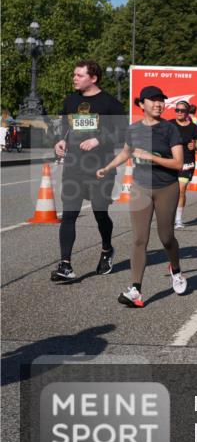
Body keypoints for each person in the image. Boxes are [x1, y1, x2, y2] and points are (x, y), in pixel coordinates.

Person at [97, 86, 187, 307]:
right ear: (142, 104)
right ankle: (135, 290)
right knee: (139, 239)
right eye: (153, 100)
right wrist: (107, 168)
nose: (158, 104)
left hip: (166, 188)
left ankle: (175, 270)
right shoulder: (133, 129)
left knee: (166, 238)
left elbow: (178, 163)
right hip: (140, 188)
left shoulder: (170, 129)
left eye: (161, 100)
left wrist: (151, 157)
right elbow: (126, 153)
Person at [51, 60, 126, 281]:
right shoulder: (70, 101)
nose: (74, 78)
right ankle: (65, 264)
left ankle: (106, 249)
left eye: (79, 75)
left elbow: (123, 134)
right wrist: (59, 142)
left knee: (99, 212)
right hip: (74, 166)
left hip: (100, 168)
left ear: (93, 78)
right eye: (74, 74)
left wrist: (99, 139)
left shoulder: (110, 104)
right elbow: (64, 129)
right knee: (69, 215)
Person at [169, 101, 197, 229]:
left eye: (182, 110)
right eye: (177, 110)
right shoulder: (170, 124)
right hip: (170, 162)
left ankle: (178, 219)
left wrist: (196, 145)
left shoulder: (193, 127)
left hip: (187, 162)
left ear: (187, 112)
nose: (179, 112)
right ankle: (169, 216)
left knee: (181, 190)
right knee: (170, 192)